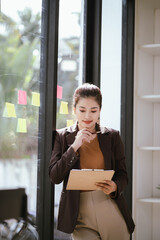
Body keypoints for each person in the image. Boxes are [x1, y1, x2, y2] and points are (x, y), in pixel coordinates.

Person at [49, 83, 135, 240]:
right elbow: (55, 177)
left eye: (93, 110)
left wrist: (115, 186)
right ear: (74, 110)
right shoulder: (61, 136)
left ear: (100, 111)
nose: (87, 116)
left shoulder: (112, 136)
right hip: (78, 214)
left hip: (109, 206)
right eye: (82, 110)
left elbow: (123, 174)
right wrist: (74, 146)